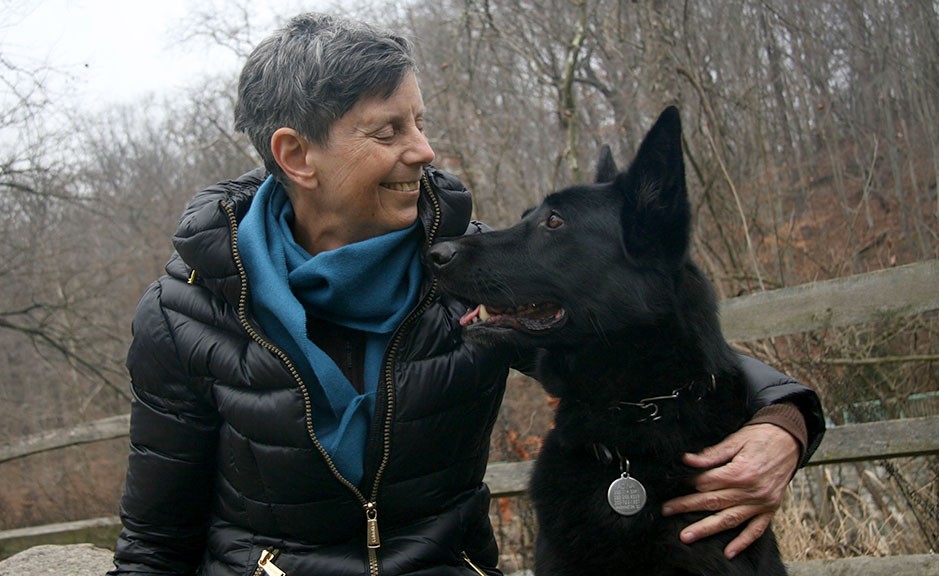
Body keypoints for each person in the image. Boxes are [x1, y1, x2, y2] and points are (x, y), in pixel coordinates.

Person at [109, 12, 825, 576]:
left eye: (419, 122)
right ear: (296, 155)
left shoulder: (462, 273)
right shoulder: (187, 314)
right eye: (389, 130)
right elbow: (155, 543)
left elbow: (647, 337)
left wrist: (782, 421)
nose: (422, 151)